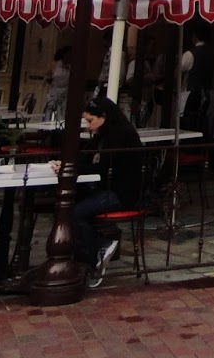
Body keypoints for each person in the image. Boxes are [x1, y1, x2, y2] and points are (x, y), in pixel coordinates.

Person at [62, 94, 145, 288]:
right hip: (106, 189)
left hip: (121, 193)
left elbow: (102, 167)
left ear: (104, 117)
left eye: (91, 121)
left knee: (73, 213)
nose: (88, 126)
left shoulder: (120, 135)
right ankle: (82, 255)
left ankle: (95, 252)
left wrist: (73, 168)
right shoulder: (104, 135)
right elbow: (88, 160)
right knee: (69, 207)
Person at [42, 46, 71, 118]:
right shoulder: (54, 65)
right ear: (64, 55)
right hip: (55, 90)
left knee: (62, 112)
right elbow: (47, 78)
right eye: (69, 54)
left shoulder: (73, 66)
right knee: (50, 109)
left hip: (66, 92)